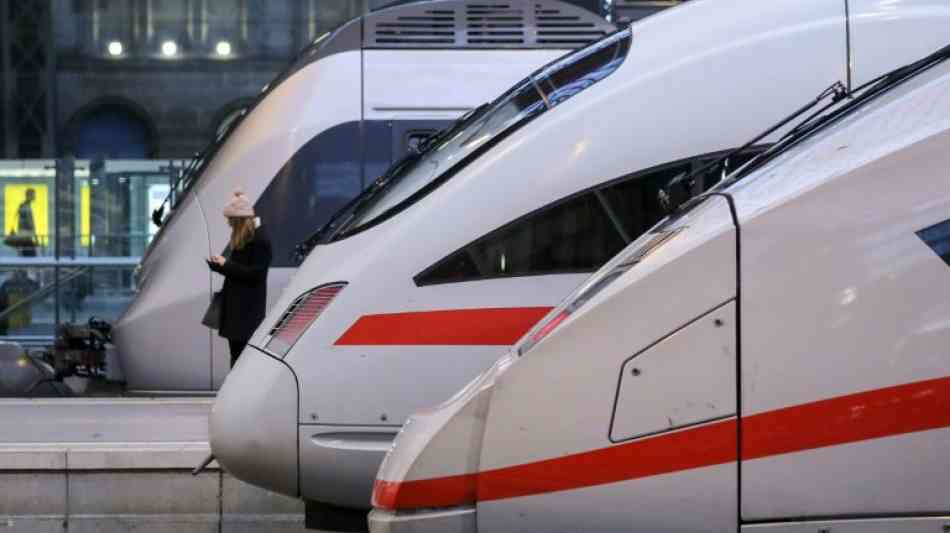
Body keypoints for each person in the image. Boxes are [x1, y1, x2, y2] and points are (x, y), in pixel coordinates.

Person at [207, 190, 272, 367]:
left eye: (231, 221)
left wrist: (226, 265)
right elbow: (242, 271)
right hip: (238, 309)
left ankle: (240, 394)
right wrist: (219, 266)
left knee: (241, 358)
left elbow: (256, 275)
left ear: (240, 221)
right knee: (236, 354)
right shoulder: (248, 237)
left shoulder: (260, 240)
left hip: (246, 311)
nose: (229, 225)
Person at [16, 189, 37, 257]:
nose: (34, 196)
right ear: (28, 195)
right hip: (26, 236)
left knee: (28, 256)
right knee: (30, 256)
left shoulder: (25, 205)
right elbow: (27, 222)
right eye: (33, 195)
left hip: (26, 236)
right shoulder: (25, 206)